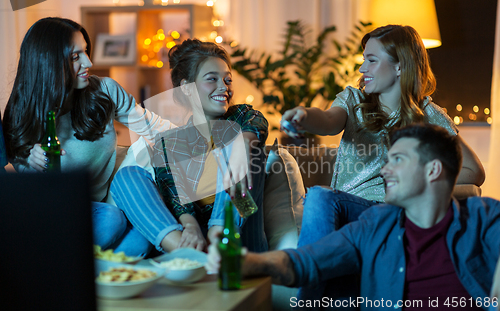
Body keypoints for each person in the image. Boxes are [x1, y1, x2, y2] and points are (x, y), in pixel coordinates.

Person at [280, 25, 485, 302]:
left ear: (400, 66)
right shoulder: (354, 100)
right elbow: (328, 121)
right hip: (350, 212)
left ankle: (305, 304)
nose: (363, 68)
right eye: (363, 59)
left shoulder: (428, 115)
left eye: (372, 60)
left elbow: (474, 171)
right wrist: (304, 115)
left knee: (320, 198)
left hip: (393, 214)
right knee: (322, 203)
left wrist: (417, 184)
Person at [207, 123, 500, 311]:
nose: (384, 170)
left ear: (433, 170)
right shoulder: (376, 225)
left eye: (397, 160)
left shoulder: (483, 218)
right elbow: (304, 262)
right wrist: (247, 262)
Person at [2, 17, 173, 256]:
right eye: (75, 57)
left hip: (103, 204)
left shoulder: (104, 91)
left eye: (85, 51)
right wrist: (31, 163)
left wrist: (208, 137)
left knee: (139, 243)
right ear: (48, 62)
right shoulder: (23, 110)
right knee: (112, 220)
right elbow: (28, 184)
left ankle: (74, 268)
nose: (88, 62)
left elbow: (152, 126)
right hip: (58, 210)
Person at [110, 39, 269, 253]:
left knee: (244, 144)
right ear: (186, 88)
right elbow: (175, 197)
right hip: (196, 238)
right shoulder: (169, 143)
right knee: (126, 176)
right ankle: (184, 250)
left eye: (227, 79)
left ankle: (220, 234)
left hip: (240, 234)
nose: (224, 87)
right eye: (212, 79)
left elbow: (256, 122)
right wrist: (191, 227)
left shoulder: (242, 117)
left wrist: (242, 146)